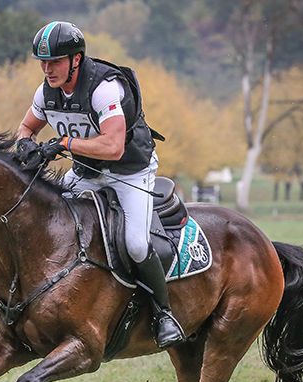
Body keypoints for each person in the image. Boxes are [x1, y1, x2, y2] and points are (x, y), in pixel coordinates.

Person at [16, 21, 184, 349]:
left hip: (129, 172)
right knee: (46, 217)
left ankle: (164, 314)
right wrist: (25, 143)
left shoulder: (104, 89)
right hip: (87, 172)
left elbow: (113, 147)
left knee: (135, 244)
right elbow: (26, 127)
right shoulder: (45, 91)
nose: (47, 69)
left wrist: (63, 143)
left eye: (55, 62)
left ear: (76, 60)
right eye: (42, 62)